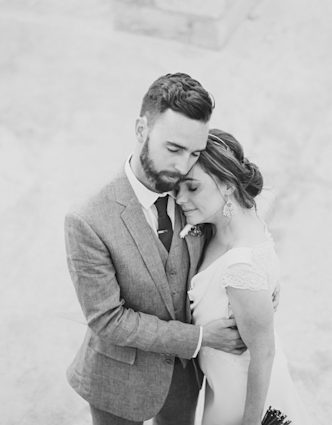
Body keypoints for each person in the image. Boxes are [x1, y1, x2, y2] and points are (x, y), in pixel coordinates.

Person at [64, 73, 247, 425]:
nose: (182, 166)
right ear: (141, 130)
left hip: (184, 377)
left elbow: (232, 226)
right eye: (173, 149)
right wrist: (200, 338)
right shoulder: (87, 219)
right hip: (118, 379)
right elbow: (107, 319)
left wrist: (260, 276)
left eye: (194, 152)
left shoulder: (192, 191)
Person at [176, 128, 312, 425]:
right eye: (177, 188)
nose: (180, 199)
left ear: (227, 185)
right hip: (222, 385)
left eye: (192, 188)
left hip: (241, 395)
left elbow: (264, 354)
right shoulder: (234, 223)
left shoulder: (240, 266)